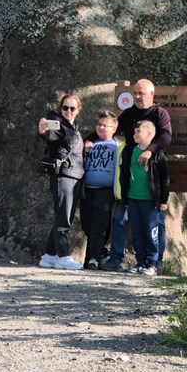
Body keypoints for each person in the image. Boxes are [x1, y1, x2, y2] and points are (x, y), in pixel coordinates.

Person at [101, 79, 173, 272]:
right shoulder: (130, 113)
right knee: (121, 220)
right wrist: (89, 140)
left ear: (151, 94)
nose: (137, 97)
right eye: (135, 93)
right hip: (130, 179)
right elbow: (112, 129)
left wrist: (150, 150)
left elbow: (165, 136)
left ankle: (155, 263)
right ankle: (121, 258)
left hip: (151, 182)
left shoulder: (160, 114)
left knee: (155, 225)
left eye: (141, 93)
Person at [36, 94, 85, 270]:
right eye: (65, 108)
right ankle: (63, 256)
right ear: (60, 109)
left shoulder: (74, 128)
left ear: (78, 110)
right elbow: (49, 134)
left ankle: (49, 256)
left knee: (64, 217)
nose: (68, 111)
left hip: (76, 176)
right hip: (63, 176)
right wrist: (42, 129)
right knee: (63, 217)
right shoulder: (56, 123)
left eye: (72, 108)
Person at [123, 120, 169, 276]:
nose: (135, 134)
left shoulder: (158, 155)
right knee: (137, 232)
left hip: (150, 201)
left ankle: (153, 263)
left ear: (150, 134)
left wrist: (163, 200)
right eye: (134, 132)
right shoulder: (130, 151)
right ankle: (141, 261)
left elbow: (164, 180)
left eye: (139, 132)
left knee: (151, 232)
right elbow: (124, 175)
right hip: (133, 198)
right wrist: (125, 198)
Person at [79, 111, 120, 269]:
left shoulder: (117, 146)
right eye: (99, 124)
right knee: (86, 223)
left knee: (99, 225)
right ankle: (101, 252)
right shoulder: (89, 143)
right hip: (87, 189)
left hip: (106, 190)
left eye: (105, 125)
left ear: (114, 128)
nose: (101, 127)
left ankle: (93, 259)